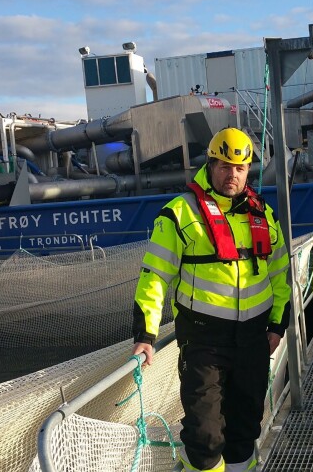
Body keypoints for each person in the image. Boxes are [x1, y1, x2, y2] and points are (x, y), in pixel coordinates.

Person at [132, 127, 292, 472]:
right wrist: (145, 336)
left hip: (253, 340)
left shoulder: (263, 213)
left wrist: (278, 324)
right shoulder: (179, 213)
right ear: (210, 164)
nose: (231, 175)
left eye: (240, 168)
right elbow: (155, 276)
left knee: (246, 429)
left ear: (248, 170)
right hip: (204, 342)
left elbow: (280, 275)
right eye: (223, 166)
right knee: (204, 437)